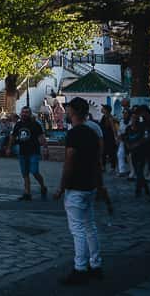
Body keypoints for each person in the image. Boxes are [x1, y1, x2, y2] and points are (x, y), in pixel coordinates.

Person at [54, 97, 103, 285]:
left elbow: (69, 162)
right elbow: (98, 161)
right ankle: (96, 264)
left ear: (73, 112)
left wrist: (61, 186)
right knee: (90, 226)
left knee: (78, 229)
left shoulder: (74, 134)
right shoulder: (92, 132)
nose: (66, 113)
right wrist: (100, 185)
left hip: (76, 185)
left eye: (68, 110)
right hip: (89, 184)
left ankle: (80, 268)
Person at [7, 106, 48, 201]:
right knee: (25, 173)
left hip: (34, 151)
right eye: (23, 112)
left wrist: (45, 148)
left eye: (26, 112)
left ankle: (43, 186)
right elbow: (12, 136)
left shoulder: (35, 124)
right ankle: (27, 193)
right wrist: (9, 147)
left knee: (34, 171)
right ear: (21, 113)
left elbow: (41, 137)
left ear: (30, 114)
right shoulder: (18, 125)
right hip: (23, 152)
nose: (24, 114)